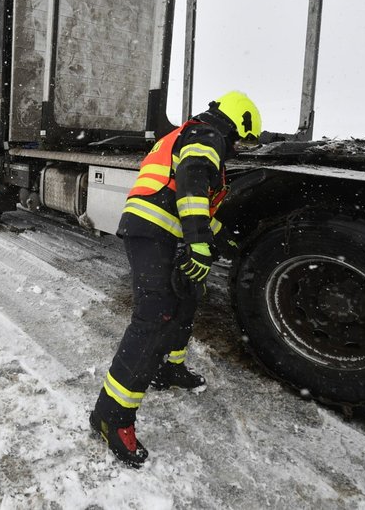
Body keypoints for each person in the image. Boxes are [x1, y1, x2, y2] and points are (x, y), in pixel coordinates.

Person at [89, 91, 262, 467]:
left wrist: (221, 235)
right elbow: (191, 185)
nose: (239, 148)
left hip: (157, 227)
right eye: (242, 140)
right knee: (154, 316)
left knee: (186, 298)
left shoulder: (193, 134)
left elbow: (184, 197)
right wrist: (200, 244)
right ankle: (110, 415)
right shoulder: (208, 136)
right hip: (153, 230)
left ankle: (168, 367)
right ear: (236, 123)